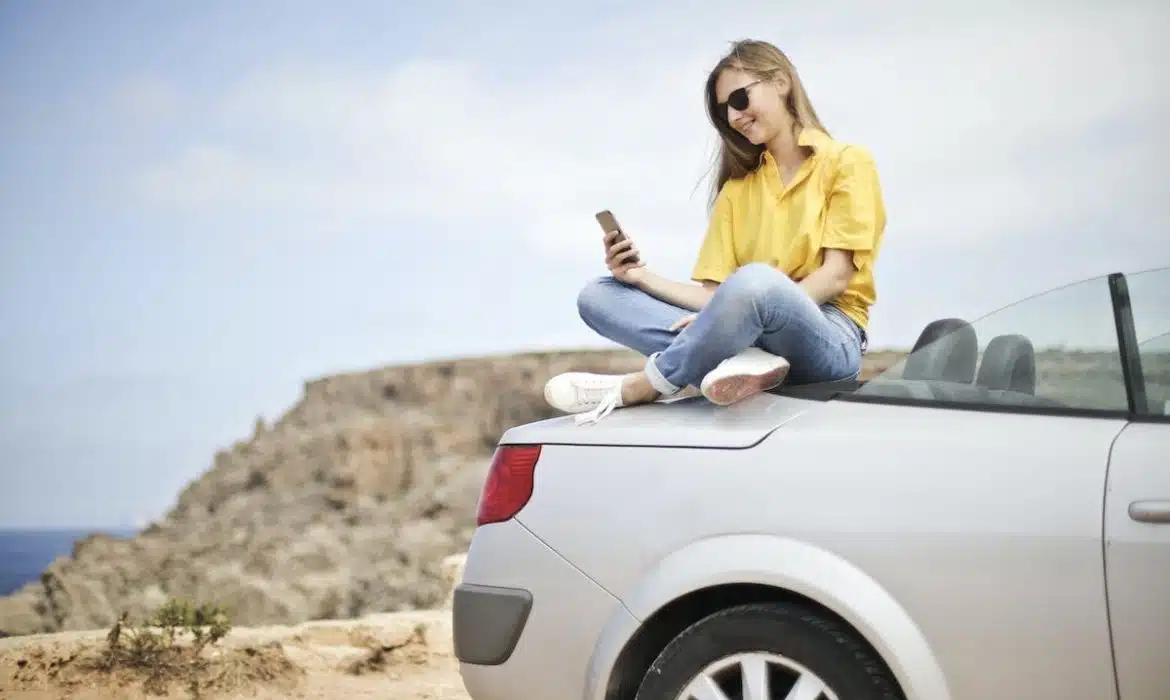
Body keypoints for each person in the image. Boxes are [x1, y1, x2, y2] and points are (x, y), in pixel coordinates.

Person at [545, 38, 886, 425]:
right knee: (598, 295)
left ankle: (647, 384)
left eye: (739, 99)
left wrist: (737, 316)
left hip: (828, 334)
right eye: (725, 112)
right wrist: (640, 278)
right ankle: (738, 360)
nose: (735, 116)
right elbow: (714, 296)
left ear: (780, 82)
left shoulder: (848, 162)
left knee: (757, 282)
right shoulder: (736, 192)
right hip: (745, 330)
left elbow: (836, 275)